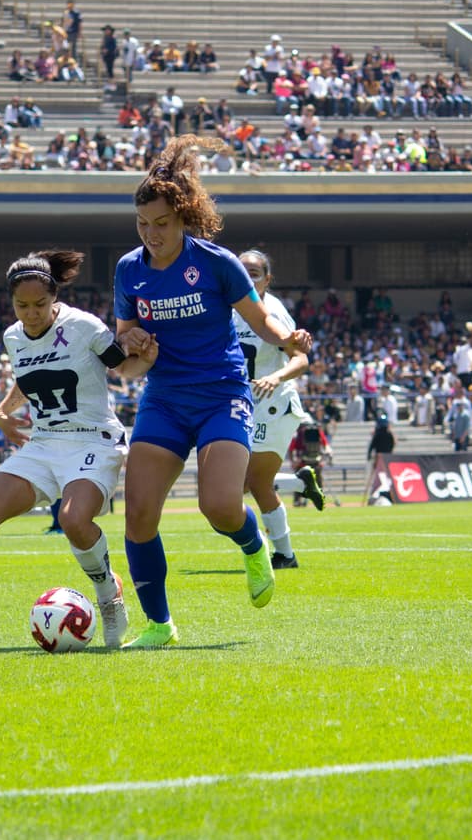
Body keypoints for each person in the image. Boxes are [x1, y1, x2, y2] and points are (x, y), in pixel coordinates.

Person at [114, 135, 313, 649]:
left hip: (222, 394)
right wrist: (131, 343)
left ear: (183, 217)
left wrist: (288, 339)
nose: (151, 234)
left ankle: (254, 545)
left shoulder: (218, 262)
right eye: (142, 224)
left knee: (221, 506)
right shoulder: (129, 270)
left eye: (161, 223)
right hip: (163, 398)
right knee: (138, 515)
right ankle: (159, 625)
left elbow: (262, 320)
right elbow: (125, 343)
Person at [0, 250, 157, 649]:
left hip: (93, 439)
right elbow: (29, 379)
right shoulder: (13, 337)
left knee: (73, 519)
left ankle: (108, 593)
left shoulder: (83, 326)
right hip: (44, 443)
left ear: (54, 298)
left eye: (39, 305)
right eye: (22, 306)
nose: (31, 314)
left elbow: (120, 366)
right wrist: (2, 412)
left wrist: (144, 359)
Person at [233, 249, 326, 572]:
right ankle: (299, 483)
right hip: (243, 404)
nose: (247, 278)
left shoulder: (273, 311)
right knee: (236, 486)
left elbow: (301, 359)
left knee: (254, 484)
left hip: (274, 404)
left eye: (254, 273)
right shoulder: (227, 307)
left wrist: (275, 377)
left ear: (267, 280)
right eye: (241, 271)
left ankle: (284, 554)